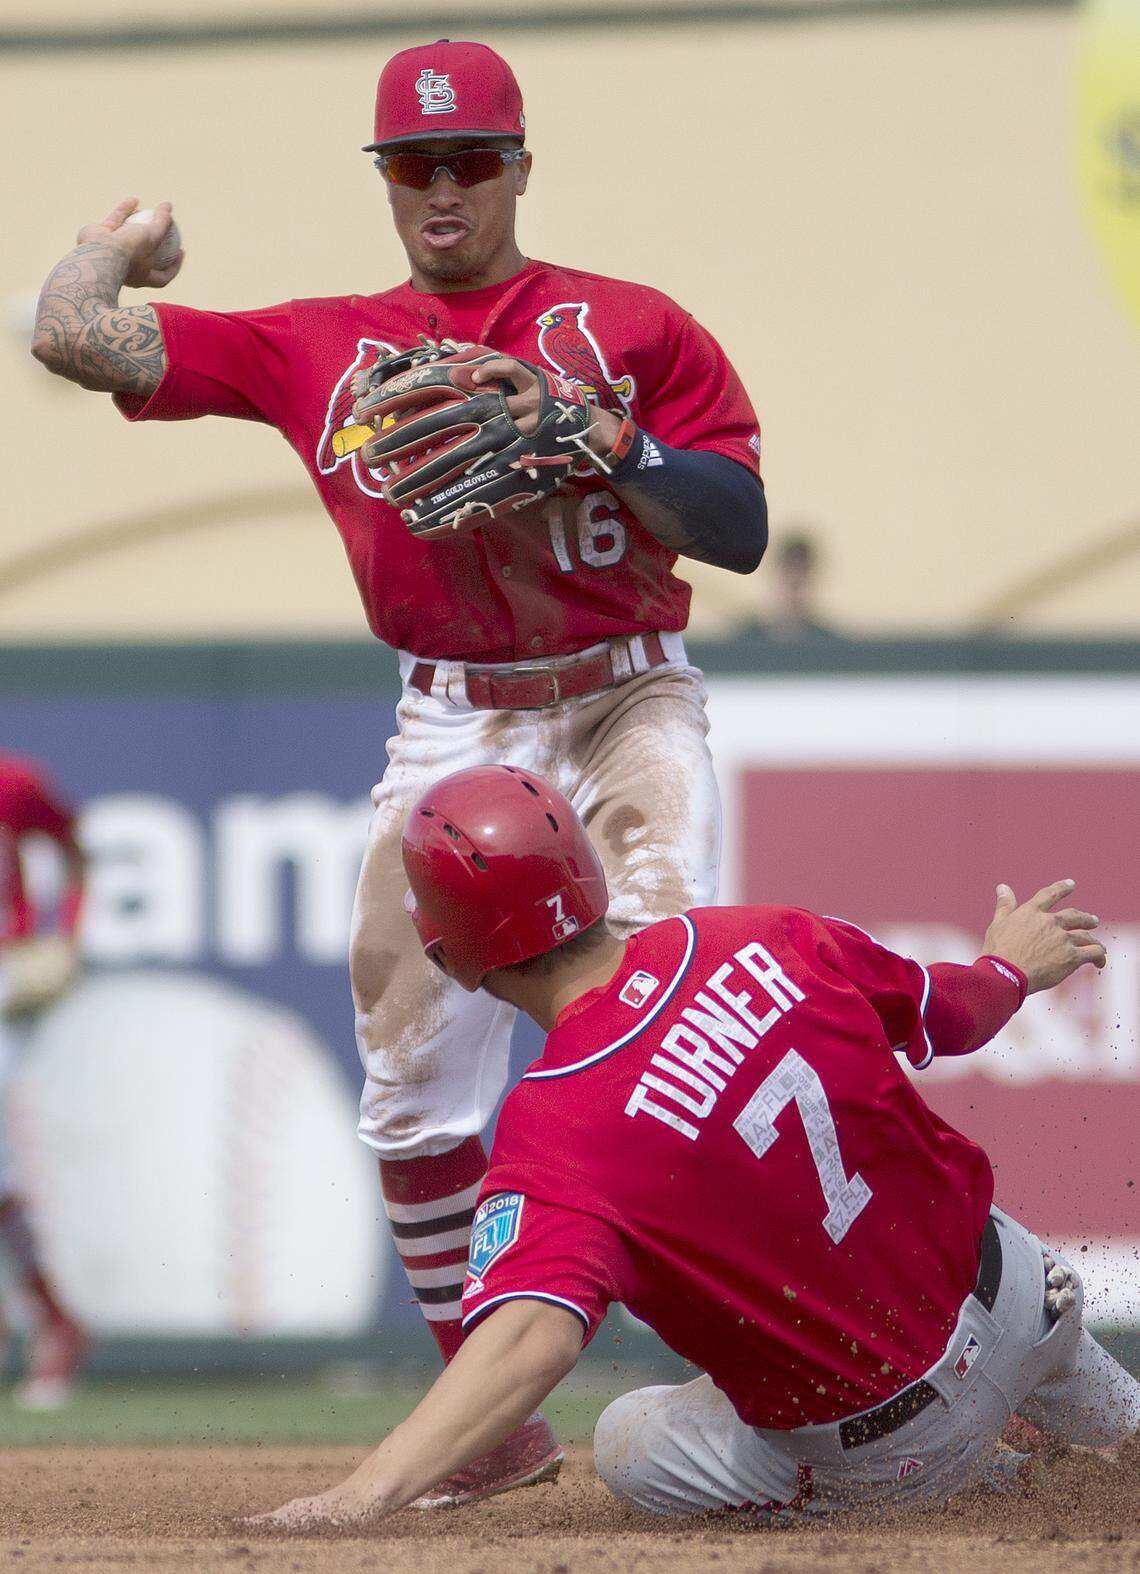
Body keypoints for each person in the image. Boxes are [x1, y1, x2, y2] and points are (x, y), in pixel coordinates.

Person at [29, 38, 766, 1502]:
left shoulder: (628, 324)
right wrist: (118, 244)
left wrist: (604, 437)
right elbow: (70, 336)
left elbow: (736, 526)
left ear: (519, 166)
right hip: (451, 717)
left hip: (625, 702)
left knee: (673, 1024)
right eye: (413, 164)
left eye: (470, 159)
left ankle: (768, 1373)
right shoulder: (324, 343)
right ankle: (485, 1427)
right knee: (409, 1076)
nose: (442, 188)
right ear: (385, 180)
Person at [257, 763, 1137, 1527]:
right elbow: (954, 1012)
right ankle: (1085, 1429)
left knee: (630, 1442)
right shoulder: (756, 934)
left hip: (902, 1445)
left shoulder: (556, 1127)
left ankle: (993, 1476)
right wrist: (1008, 970)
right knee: (1125, 1445)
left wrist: (360, 1496)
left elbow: (529, 1344)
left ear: (451, 957)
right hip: (1029, 1299)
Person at [0, 753, 88, 1408]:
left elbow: (74, 848)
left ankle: (52, 1321)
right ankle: (51, 1317)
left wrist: (68, 938)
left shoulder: (14, 782)